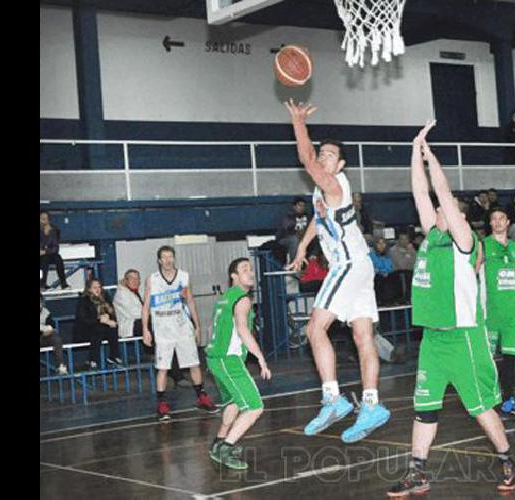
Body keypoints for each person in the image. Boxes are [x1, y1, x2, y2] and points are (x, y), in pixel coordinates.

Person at [388, 120, 515, 496]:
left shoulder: (466, 242)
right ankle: (417, 472)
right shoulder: (433, 235)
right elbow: (420, 194)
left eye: (451, 211)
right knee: (424, 409)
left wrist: (434, 161)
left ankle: (509, 459)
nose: (441, 211)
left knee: (480, 409)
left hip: (464, 337)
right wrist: (415, 151)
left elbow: (440, 192)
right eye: (443, 212)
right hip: (433, 339)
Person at [282, 99, 389, 443]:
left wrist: (299, 123)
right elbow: (318, 218)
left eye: (329, 154)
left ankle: (333, 399)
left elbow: (305, 159)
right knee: (363, 337)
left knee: (315, 329)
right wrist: (302, 246)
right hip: (362, 265)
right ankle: (371, 404)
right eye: (323, 153)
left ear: (340, 164)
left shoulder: (334, 183)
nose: (323, 156)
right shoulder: (323, 191)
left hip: (347, 265)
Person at [207, 258, 272, 470]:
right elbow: (243, 330)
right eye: (245, 269)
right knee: (254, 407)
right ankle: (226, 448)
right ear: (233, 276)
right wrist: (261, 358)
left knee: (234, 403)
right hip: (228, 360)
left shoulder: (225, 298)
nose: (250, 272)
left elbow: (213, 329)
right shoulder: (242, 299)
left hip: (215, 359)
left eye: (251, 269)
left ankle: (218, 443)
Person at [142, 245, 218, 422]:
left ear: (174, 258)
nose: (168, 260)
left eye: (171, 257)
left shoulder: (183, 277)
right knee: (162, 367)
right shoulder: (152, 280)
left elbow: (190, 301)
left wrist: (197, 326)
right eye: (164, 257)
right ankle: (161, 404)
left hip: (181, 323)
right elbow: (146, 306)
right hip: (162, 325)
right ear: (159, 260)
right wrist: (146, 329)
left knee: (193, 362)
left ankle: (202, 396)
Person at [483, 208, 515, 422]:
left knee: (511, 361)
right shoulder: (482, 245)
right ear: (490, 223)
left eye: (501, 218)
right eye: (493, 219)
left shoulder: (514, 247)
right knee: (486, 361)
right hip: (490, 312)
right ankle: (487, 403)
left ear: (508, 222)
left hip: (514, 311)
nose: (497, 222)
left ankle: (509, 402)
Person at [76, 278, 122, 370]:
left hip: (102, 329)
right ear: (89, 289)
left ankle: (113, 356)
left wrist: (109, 320)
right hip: (86, 330)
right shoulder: (84, 300)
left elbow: (112, 314)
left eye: (99, 287)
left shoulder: (106, 298)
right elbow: (84, 320)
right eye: (94, 287)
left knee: (112, 327)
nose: (97, 289)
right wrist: (99, 319)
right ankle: (93, 360)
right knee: (99, 329)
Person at [39, 211, 70, 291]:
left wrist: (49, 234)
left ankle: (64, 284)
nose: (42, 221)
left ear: (48, 220)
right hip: (42, 255)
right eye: (41, 219)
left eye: (44, 219)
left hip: (49, 253)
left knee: (58, 258)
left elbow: (55, 248)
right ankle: (42, 284)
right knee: (44, 260)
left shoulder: (54, 230)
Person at [40, 291, 67, 375]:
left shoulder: (46, 312)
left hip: (44, 337)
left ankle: (60, 365)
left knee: (55, 337)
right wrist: (44, 329)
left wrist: (46, 330)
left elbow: (51, 326)